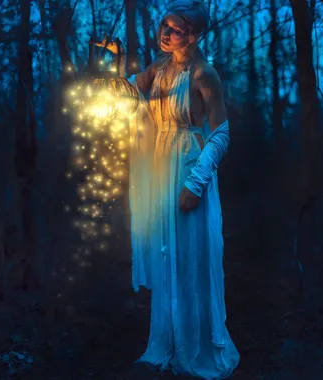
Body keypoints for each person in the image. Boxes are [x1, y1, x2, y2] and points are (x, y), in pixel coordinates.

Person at [94, 1, 240, 378]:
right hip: (160, 167)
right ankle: (162, 348)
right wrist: (119, 58)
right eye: (164, 25)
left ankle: (193, 350)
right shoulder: (158, 68)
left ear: (193, 34)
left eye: (175, 29)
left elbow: (221, 133)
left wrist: (197, 182)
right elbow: (128, 95)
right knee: (165, 256)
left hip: (188, 166)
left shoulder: (204, 74)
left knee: (188, 257)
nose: (165, 33)